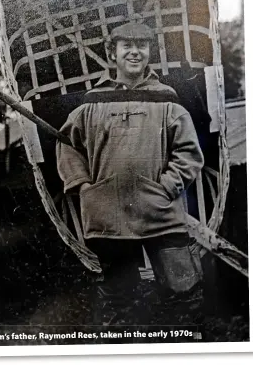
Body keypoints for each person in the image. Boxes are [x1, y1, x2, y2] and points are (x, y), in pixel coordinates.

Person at [56, 22, 205, 326]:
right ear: (113, 53)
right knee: (120, 301)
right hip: (109, 216)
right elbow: (67, 146)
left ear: (150, 52)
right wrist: (84, 186)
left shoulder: (166, 99)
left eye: (143, 46)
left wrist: (165, 188)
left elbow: (189, 153)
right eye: (127, 46)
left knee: (183, 294)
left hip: (161, 212)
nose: (135, 52)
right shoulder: (92, 103)